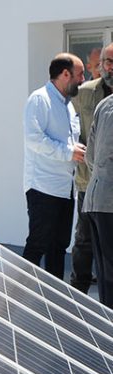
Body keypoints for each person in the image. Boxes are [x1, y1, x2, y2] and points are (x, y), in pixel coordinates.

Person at [22, 53, 86, 279]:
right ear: (65, 74)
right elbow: (33, 139)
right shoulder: (39, 99)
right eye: (79, 74)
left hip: (65, 189)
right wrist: (69, 152)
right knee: (38, 244)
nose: (82, 79)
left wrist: (76, 149)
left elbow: (67, 141)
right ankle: (16, 297)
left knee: (59, 247)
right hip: (43, 187)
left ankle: (52, 301)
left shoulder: (68, 106)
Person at [70, 44, 113, 292]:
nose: (109, 67)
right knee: (84, 243)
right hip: (90, 183)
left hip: (98, 184)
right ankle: (78, 297)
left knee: (107, 267)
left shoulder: (105, 105)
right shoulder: (86, 94)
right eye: (107, 62)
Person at [82, 92, 113, 308]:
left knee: (105, 275)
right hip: (109, 202)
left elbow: (90, 156)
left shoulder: (104, 104)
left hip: (95, 198)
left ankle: (106, 331)